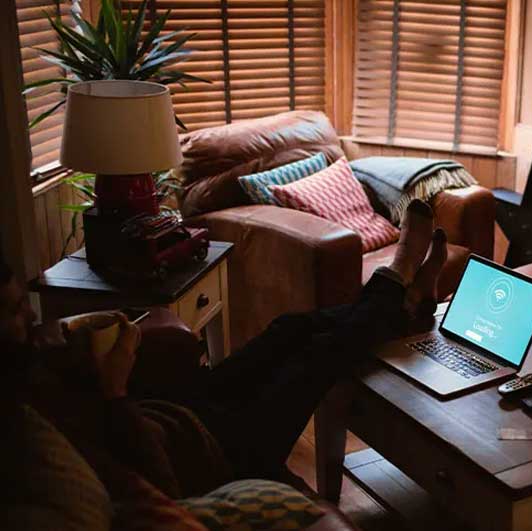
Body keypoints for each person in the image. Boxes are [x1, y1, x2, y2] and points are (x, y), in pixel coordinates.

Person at [0, 199, 447, 500]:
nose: (30, 321)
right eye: (15, 312)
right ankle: (402, 275)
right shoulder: (27, 426)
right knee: (318, 357)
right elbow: (151, 482)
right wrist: (115, 390)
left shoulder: (27, 370)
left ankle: (402, 305)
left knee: (288, 328)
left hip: (188, 409)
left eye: (25, 304)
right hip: (222, 453)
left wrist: (91, 367)